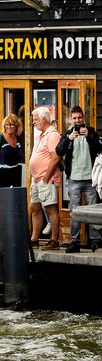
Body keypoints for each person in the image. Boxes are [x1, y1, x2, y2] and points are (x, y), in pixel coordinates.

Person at [55, 105, 102, 253]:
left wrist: (89, 135)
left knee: (93, 211)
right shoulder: (68, 133)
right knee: (74, 211)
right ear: (71, 118)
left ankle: (95, 241)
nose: (77, 120)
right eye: (74, 118)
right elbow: (58, 151)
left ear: (83, 117)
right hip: (74, 178)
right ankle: (75, 241)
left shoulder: (91, 131)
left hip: (90, 179)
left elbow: (100, 148)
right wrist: (68, 139)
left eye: (79, 117)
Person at [29, 107, 62, 250]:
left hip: (46, 179)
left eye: (35, 119)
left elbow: (55, 158)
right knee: (35, 208)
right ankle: (34, 239)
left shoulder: (53, 135)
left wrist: (46, 177)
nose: (33, 122)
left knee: (50, 209)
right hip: (36, 179)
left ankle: (54, 240)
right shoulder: (39, 135)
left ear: (43, 119)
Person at [0, 113, 24, 190]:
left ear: (16, 126)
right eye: (7, 125)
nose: (9, 127)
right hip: (0, 180)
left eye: (12, 125)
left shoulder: (19, 140)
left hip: (16, 179)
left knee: (15, 201)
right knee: (2, 201)